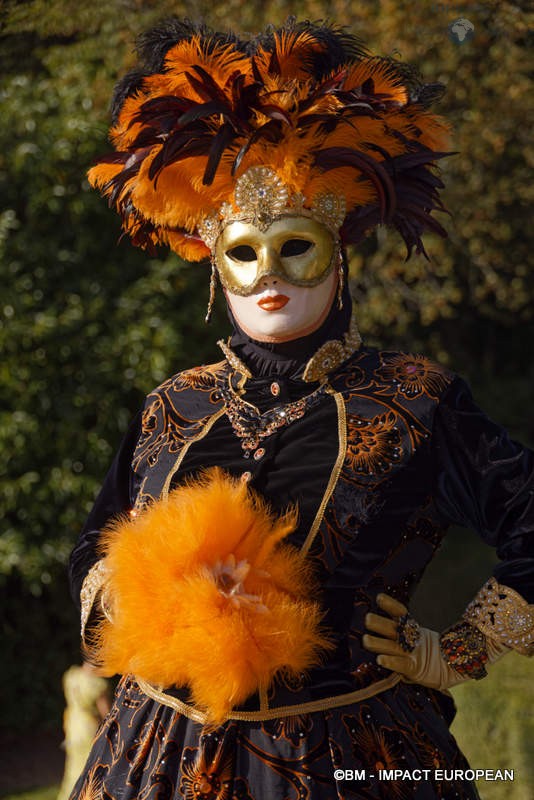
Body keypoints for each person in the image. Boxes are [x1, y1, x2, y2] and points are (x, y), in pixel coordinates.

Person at [68, 18, 533, 800]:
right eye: (244, 252)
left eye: (296, 247)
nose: (269, 275)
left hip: (352, 758)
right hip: (157, 758)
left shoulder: (418, 401)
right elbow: (96, 544)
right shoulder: (174, 404)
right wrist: (145, 593)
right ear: (216, 266)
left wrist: (458, 647)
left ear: (338, 251)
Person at [57, 661, 111, 800]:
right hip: (89, 727)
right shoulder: (97, 684)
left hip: (72, 725)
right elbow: (107, 715)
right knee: (90, 767)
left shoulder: (71, 676)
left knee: (73, 766)